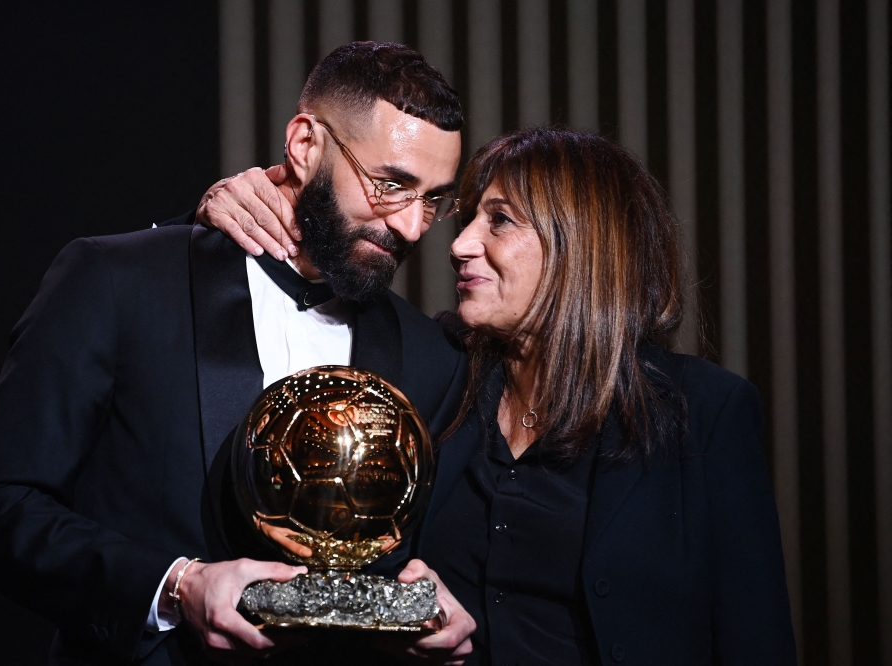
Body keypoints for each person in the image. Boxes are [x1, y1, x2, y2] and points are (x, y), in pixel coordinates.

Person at [0, 42, 476, 665]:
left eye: (434, 200)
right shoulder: (119, 283)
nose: (413, 226)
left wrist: (436, 606)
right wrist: (176, 586)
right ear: (305, 145)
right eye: (391, 185)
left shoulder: (433, 356)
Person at [203, 126, 798, 664]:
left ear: (580, 243)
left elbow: (756, 639)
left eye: (500, 220)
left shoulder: (703, 412)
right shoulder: (439, 375)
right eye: (467, 219)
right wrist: (218, 209)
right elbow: (316, 275)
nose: (459, 244)